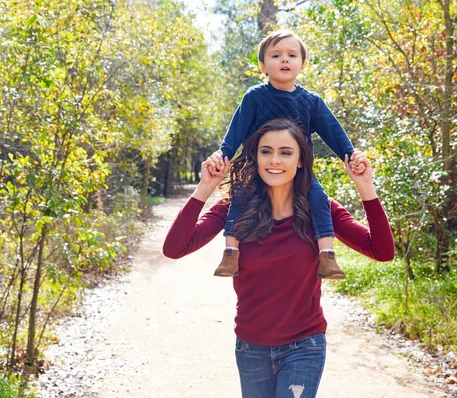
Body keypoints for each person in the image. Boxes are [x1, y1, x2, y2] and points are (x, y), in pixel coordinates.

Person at [163, 119, 394, 397]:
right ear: (255, 156)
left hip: (304, 346)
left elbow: (381, 251)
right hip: (251, 347)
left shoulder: (320, 210)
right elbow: (175, 248)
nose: (275, 160)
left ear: (300, 160)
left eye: (286, 152)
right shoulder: (235, 208)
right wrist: (205, 187)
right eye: (266, 151)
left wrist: (365, 186)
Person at [209, 29, 365, 280]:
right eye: (276, 55)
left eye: (292, 55)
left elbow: (332, 131)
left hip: (298, 172)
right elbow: (235, 131)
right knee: (239, 195)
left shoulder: (311, 101)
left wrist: (350, 153)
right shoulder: (255, 97)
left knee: (318, 198)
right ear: (263, 66)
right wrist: (223, 154)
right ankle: (230, 253)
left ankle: (327, 256)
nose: (284, 60)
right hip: (257, 168)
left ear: (302, 65)